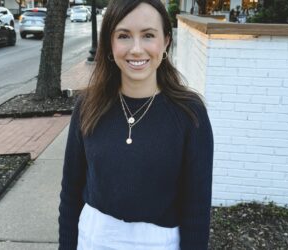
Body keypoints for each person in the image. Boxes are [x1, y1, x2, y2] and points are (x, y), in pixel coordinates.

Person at [58, 0, 214, 249]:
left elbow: (197, 208)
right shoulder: (87, 105)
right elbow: (70, 192)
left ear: (165, 42)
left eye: (148, 35)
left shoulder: (189, 113)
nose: (137, 49)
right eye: (124, 36)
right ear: (110, 43)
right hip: (94, 238)